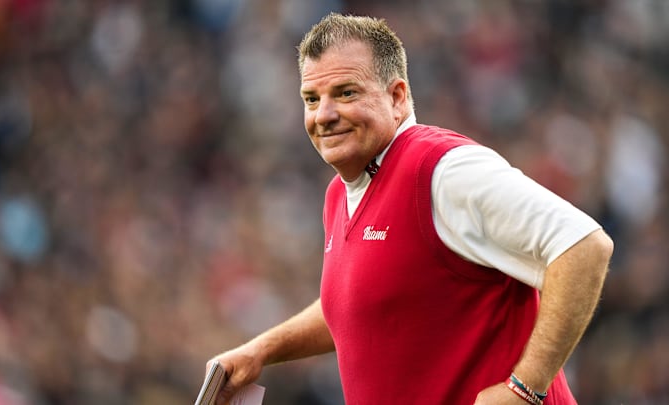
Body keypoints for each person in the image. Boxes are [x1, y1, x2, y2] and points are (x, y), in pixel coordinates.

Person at [207, 13, 613, 405]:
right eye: (312, 99)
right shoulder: (340, 193)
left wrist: (526, 387)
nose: (324, 115)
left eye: (346, 93)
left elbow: (585, 246)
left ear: (397, 97)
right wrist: (259, 351)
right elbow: (359, 306)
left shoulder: (442, 169)